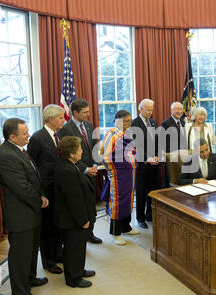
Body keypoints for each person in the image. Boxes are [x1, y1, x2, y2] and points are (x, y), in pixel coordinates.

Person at [0, 118, 49, 295]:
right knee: (20, 256)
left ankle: (30, 278)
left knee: (32, 250)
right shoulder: (6, 155)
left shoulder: (20, 150)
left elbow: (33, 176)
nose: (29, 135)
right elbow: (21, 187)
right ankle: (20, 292)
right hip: (21, 214)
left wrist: (40, 195)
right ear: (12, 136)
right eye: (24, 133)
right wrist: (39, 200)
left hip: (31, 211)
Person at [27, 105, 65, 275]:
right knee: (47, 227)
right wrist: (40, 191)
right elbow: (32, 166)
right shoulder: (37, 138)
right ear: (51, 119)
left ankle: (57, 254)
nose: (63, 121)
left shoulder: (60, 135)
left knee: (57, 223)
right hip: (46, 189)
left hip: (59, 187)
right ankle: (48, 261)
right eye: (61, 118)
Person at [54, 136, 96, 288]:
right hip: (71, 219)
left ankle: (79, 270)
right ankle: (73, 278)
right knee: (73, 248)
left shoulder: (72, 164)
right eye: (79, 149)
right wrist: (83, 219)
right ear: (71, 153)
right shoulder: (66, 170)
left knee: (79, 247)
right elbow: (74, 199)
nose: (82, 151)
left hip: (74, 217)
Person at [58, 98, 102, 244]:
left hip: (92, 170)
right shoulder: (66, 129)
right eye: (85, 112)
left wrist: (95, 164)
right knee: (82, 205)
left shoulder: (88, 125)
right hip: (79, 172)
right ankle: (83, 233)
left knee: (91, 205)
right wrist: (85, 169)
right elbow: (69, 153)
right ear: (74, 112)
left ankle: (90, 232)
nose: (88, 114)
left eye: (88, 111)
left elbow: (93, 146)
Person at [100, 110, 139, 246]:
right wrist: (113, 170)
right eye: (127, 121)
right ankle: (116, 233)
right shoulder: (112, 134)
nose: (129, 123)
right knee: (117, 200)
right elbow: (105, 156)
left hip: (129, 172)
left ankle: (126, 226)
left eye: (130, 120)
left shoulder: (126, 133)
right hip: (118, 173)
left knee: (128, 199)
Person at [131, 98, 159, 229]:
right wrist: (148, 158)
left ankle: (149, 215)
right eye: (148, 110)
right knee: (141, 192)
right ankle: (140, 218)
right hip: (142, 164)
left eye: (151, 110)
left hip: (154, 164)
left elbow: (157, 141)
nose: (150, 112)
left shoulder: (153, 123)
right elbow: (136, 146)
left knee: (151, 191)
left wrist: (158, 156)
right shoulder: (133, 124)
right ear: (140, 109)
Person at [160, 101, 187, 187]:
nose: (179, 111)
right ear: (171, 111)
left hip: (182, 156)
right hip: (171, 157)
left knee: (180, 179)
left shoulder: (183, 122)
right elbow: (162, 141)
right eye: (176, 109)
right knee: (170, 180)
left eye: (180, 109)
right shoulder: (166, 123)